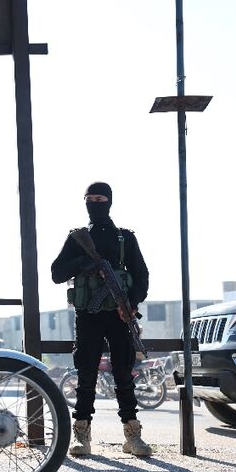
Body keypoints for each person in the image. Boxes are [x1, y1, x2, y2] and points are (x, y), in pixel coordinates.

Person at [51, 181, 152, 457]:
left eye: (101, 198)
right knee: (86, 374)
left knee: (123, 373)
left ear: (109, 201)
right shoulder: (78, 238)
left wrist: (130, 303)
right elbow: (57, 272)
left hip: (119, 316)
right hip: (88, 316)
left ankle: (133, 436)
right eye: (90, 198)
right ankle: (82, 435)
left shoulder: (125, 238)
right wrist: (87, 263)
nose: (95, 203)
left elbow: (141, 275)